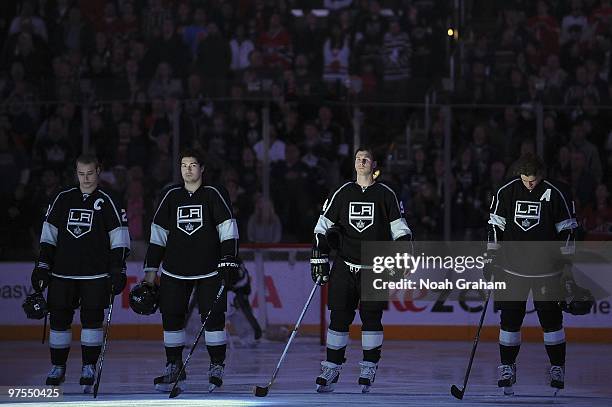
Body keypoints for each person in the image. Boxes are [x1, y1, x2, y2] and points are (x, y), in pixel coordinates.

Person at [310, 147, 413, 393]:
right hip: (344, 266)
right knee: (339, 317)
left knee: (371, 318)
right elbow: (322, 227)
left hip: (374, 267)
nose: (361, 161)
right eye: (358, 158)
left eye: (366, 158)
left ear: (374, 164)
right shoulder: (342, 192)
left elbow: (400, 229)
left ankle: (368, 366)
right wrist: (319, 258)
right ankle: (331, 367)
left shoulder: (386, 194)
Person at [141, 148, 239, 393]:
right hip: (174, 270)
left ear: (202, 168)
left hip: (210, 270)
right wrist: (150, 273)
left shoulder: (214, 193)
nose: (188, 169)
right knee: (171, 318)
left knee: (213, 318)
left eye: (193, 165)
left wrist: (228, 259)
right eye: (184, 165)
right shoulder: (170, 195)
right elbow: (157, 236)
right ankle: (173, 366)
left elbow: (228, 228)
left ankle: (216, 365)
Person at [30, 154, 130, 391]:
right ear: (76, 173)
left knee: (92, 322)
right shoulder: (63, 198)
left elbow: (120, 238)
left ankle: (89, 366)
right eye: (81, 173)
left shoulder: (110, 200)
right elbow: (48, 236)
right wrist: (43, 265)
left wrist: (118, 267)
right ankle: (57, 366)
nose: (85, 178)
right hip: (62, 274)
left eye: (90, 173)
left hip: (96, 275)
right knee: (59, 321)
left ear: (98, 171)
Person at [487, 154, 578, 395]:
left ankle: (557, 367)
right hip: (512, 270)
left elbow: (567, 231)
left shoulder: (556, 192)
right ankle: (507, 367)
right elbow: (496, 226)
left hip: (547, 271)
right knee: (509, 320)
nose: (530, 185)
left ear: (541, 175)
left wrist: (566, 265)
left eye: (534, 180)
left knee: (551, 321)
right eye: (526, 180)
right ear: (520, 175)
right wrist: (491, 258)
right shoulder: (506, 191)